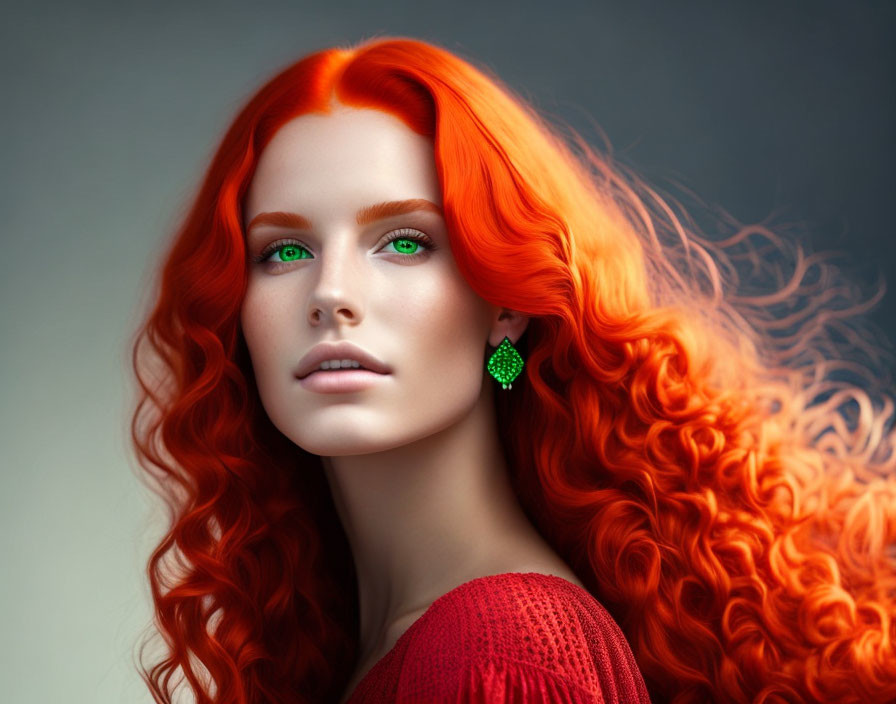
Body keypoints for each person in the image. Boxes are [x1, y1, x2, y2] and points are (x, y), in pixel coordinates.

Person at [130, 37, 896, 703]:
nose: (331, 294)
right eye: (283, 252)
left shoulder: (501, 650)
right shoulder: (378, 646)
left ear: (504, 307)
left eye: (403, 242)